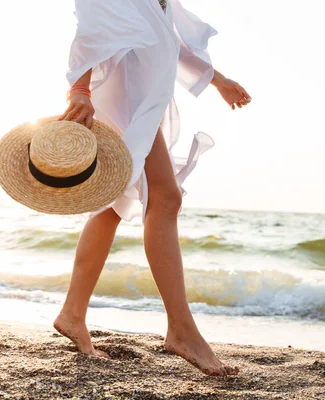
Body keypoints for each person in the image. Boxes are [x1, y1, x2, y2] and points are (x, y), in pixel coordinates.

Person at [54, 0, 251, 376]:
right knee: (165, 198)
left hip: (143, 99)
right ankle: (181, 330)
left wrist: (218, 80)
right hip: (126, 96)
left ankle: (72, 313)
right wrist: (79, 89)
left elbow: (170, 41)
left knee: (113, 204)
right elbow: (92, 24)